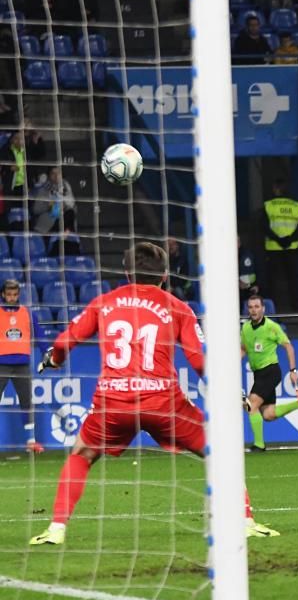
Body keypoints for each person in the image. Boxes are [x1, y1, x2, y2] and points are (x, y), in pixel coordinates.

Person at [31, 244, 278, 545]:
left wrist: (54, 360)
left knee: (81, 455)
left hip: (114, 401)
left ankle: (56, 529)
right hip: (164, 403)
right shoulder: (178, 307)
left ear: (126, 272)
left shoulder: (103, 303)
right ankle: (246, 521)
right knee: (221, 452)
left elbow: (64, 341)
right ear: (164, 275)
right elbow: (199, 361)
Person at [241, 295, 298, 452]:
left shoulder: (271, 327)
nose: (253, 310)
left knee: (250, 405)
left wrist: (293, 370)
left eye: (256, 306)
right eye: (251, 307)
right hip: (258, 374)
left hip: (270, 371)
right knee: (268, 414)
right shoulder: (245, 328)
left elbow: (288, 347)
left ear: (263, 308)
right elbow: (244, 349)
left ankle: (259, 445)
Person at [0, 279, 38, 452]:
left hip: (22, 365)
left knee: (26, 402)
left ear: (18, 295)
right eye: (9, 294)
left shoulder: (27, 313)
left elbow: (40, 335)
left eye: (15, 294)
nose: (12, 298)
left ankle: (31, 442)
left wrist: (50, 353)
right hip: (2, 365)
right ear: (3, 295)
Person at [262, 179, 298, 312]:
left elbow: (264, 227)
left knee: (272, 281)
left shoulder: (269, 205)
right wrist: (289, 239)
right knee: (293, 279)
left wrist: (278, 240)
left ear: (275, 188)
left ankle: (271, 310)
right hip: (292, 248)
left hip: (273, 247)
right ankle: (296, 309)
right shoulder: (297, 206)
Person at [31, 165, 76, 236]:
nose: (56, 176)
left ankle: (67, 237)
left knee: (70, 213)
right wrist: (48, 206)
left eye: (58, 173)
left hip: (62, 221)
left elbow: (72, 204)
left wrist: (63, 205)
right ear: (49, 176)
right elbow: (35, 209)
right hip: (48, 226)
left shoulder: (65, 187)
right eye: (53, 173)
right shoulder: (44, 189)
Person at [237, 235, 258, 303]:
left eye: (237, 242)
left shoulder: (247, 255)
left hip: (248, 289)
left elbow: (244, 282)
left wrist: (256, 285)